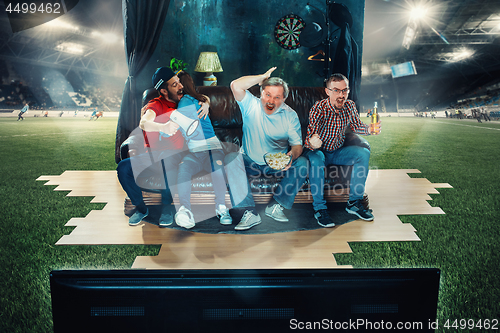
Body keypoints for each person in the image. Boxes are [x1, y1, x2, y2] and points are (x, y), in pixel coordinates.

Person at [116, 67, 209, 227]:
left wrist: (206, 103)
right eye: (174, 85)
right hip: (152, 156)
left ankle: (167, 208)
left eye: (179, 82)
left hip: (175, 155)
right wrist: (163, 127)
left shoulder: (184, 101)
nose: (180, 86)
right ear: (164, 91)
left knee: (170, 159)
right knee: (123, 168)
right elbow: (144, 123)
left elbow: (202, 96)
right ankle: (141, 208)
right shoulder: (156, 104)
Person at [224, 67, 309, 231]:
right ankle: (249, 213)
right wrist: (261, 77)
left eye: (277, 97)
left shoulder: (290, 115)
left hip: (277, 165)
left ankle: (276, 206)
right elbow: (235, 85)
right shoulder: (250, 104)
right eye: (268, 94)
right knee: (230, 158)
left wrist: (291, 156)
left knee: (303, 163)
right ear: (261, 93)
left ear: (284, 98)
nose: (271, 100)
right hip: (250, 162)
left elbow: (297, 145)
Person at [303, 73, 380, 226]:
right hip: (319, 152)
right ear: (327, 91)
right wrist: (312, 142)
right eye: (336, 90)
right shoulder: (319, 108)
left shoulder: (350, 105)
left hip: (337, 152)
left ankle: (354, 203)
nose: (341, 95)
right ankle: (320, 209)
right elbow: (311, 135)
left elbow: (357, 126)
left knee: (362, 153)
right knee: (317, 158)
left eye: (345, 90)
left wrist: (370, 129)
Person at [166, 71, 231, 229]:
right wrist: (206, 101)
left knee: (217, 167)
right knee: (184, 168)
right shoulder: (193, 100)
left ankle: (221, 207)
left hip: (211, 149)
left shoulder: (186, 102)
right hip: (195, 152)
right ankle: (185, 210)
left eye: (176, 84)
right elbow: (203, 98)